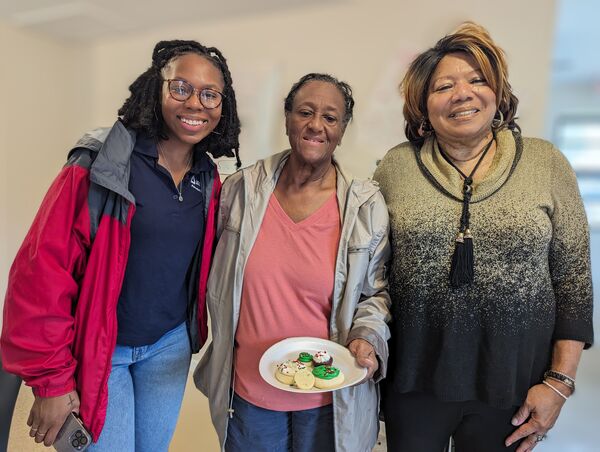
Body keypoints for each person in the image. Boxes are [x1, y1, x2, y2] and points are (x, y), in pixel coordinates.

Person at [1, 39, 240, 451]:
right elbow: (41, 274)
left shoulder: (209, 178)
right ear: (156, 88)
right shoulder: (102, 163)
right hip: (101, 350)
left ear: (223, 106)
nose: (195, 103)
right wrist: (51, 381)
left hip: (169, 347)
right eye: (180, 87)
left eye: (209, 94)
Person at [373, 22, 594, 452]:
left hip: (512, 385)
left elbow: (574, 282)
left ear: (497, 93)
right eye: (443, 86)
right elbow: (373, 270)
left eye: (477, 80)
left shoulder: (546, 162)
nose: (462, 93)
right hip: (414, 384)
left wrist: (559, 384)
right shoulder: (394, 169)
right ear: (423, 104)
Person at [194, 73, 391, 452]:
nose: (316, 125)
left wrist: (367, 336)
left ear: (342, 129)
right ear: (286, 120)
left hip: (329, 401)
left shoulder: (364, 205)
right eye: (305, 112)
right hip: (249, 397)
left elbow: (375, 295)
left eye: (330, 118)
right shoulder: (242, 189)